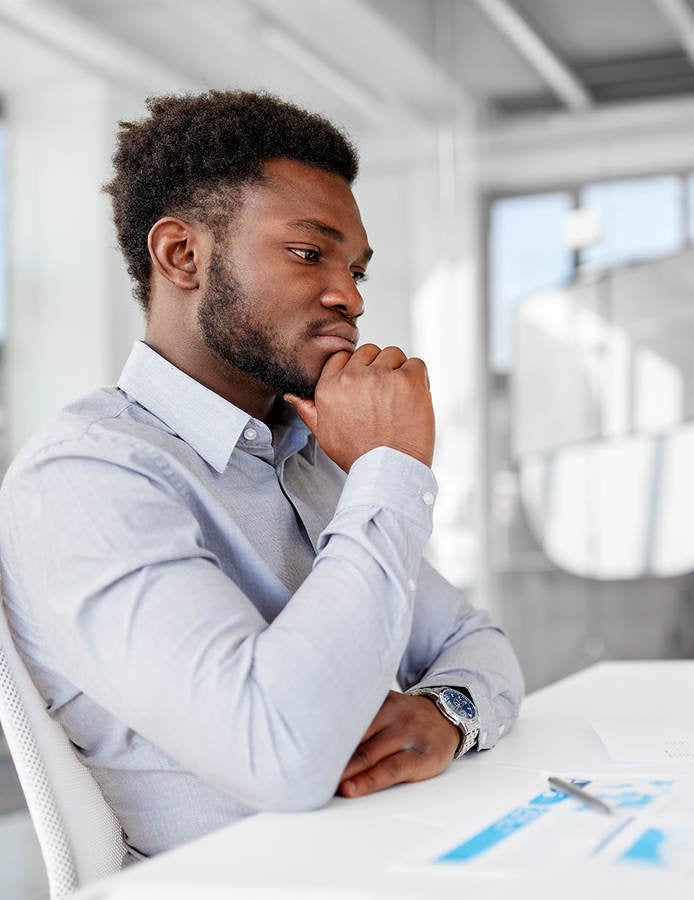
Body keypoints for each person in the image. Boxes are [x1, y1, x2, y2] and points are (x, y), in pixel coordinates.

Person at [0, 90, 523, 862]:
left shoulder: (311, 461)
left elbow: (477, 643)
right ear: (182, 256)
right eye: (310, 254)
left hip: (392, 862)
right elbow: (280, 753)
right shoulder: (88, 476)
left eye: (356, 269)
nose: (349, 294)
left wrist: (446, 712)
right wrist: (390, 468)